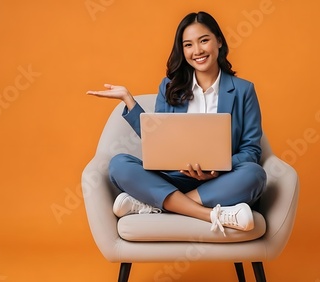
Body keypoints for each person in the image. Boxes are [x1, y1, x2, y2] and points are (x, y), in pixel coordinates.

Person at [86, 11, 266, 236]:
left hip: (219, 182)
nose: (197, 51)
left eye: (204, 40)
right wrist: (129, 102)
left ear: (219, 41)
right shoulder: (169, 86)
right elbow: (159, 141)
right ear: (183, 50)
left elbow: (251, 150)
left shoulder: (243, 90)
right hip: (172, 178)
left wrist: (217, 169)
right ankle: (210, 214)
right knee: (119, 164)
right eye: (188, 44)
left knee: (254, 174)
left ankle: (159, 206)